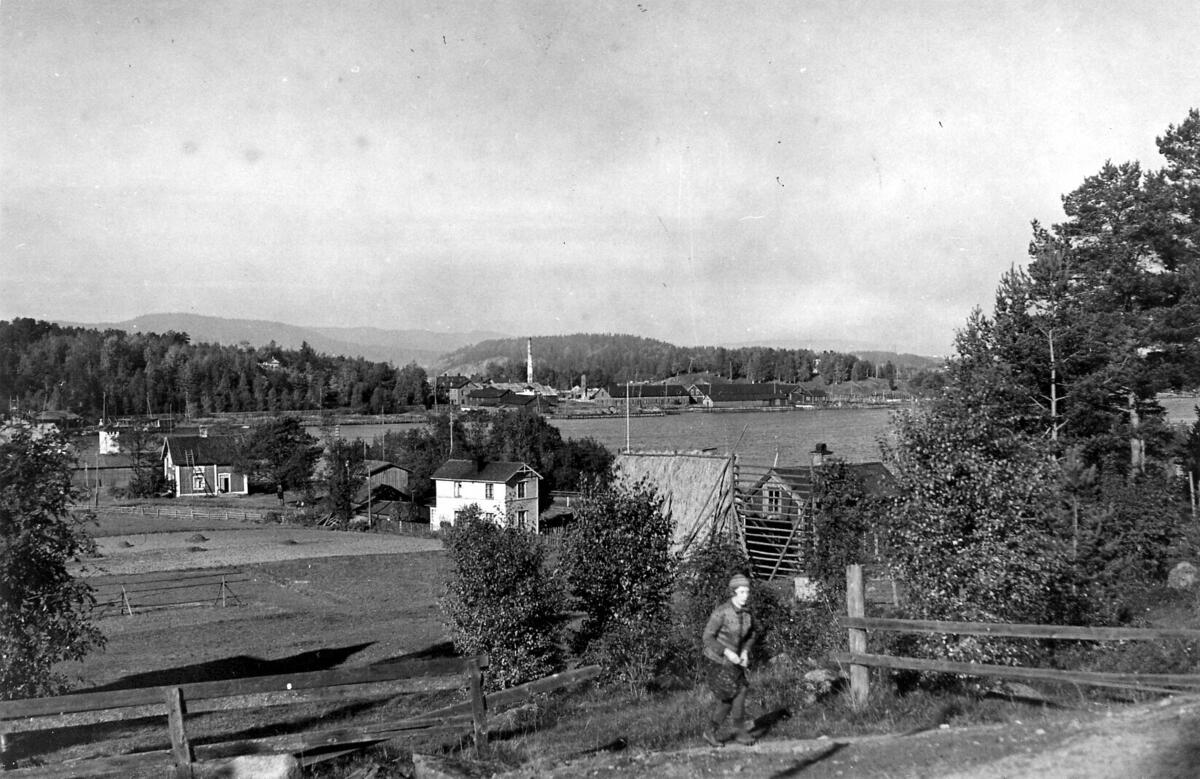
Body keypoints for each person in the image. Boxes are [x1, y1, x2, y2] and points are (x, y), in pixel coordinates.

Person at [701, 573, 757, 746]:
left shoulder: (747, 614)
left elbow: (752, 634)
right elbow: (707, 637)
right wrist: (726, 651)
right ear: (733, 592)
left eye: (747, 591)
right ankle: (735, 731)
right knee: (736, 692)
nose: (745, 596)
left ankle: (714, 732)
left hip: (735, 661)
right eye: (741, 592)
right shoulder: (722, 612)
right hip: (716, 661)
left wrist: (745, 652)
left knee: (734, 695)